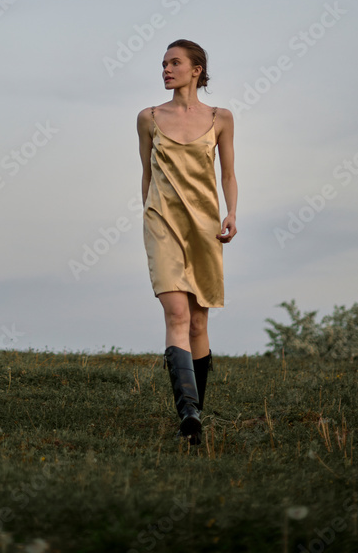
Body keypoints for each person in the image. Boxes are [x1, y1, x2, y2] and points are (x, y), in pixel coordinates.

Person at [136, 39, 237, 445]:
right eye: (163, 63)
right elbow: (146, 174)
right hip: (162, 222)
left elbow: (227, 174)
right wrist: (148, 213)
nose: (166, 69)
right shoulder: (148, 118)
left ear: (196, 70)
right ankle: (188, 414)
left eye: (174, 63)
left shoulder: (220, 118)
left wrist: (232, 213)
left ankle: (194, 421)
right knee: (176, 314)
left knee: (198, 321)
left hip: (205, 226)